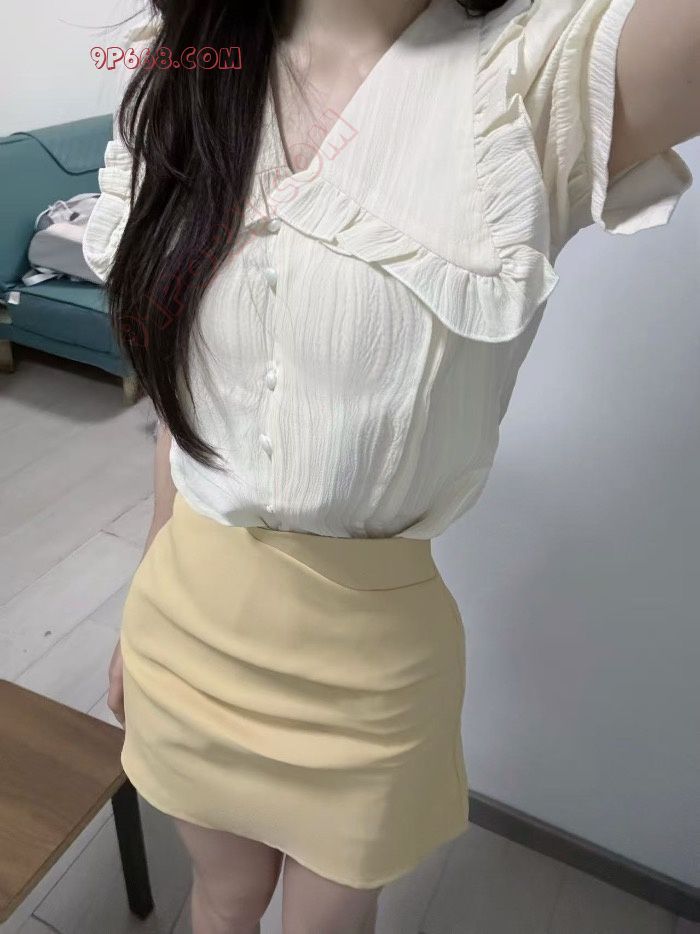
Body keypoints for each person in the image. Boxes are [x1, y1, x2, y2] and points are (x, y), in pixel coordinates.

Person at [83, 0, 698, 931]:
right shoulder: (185, 66)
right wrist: (141, 599)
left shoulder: (535, 78)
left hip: (364, 678)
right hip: (183, 627)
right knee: (222, 898)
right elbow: (188, 408)